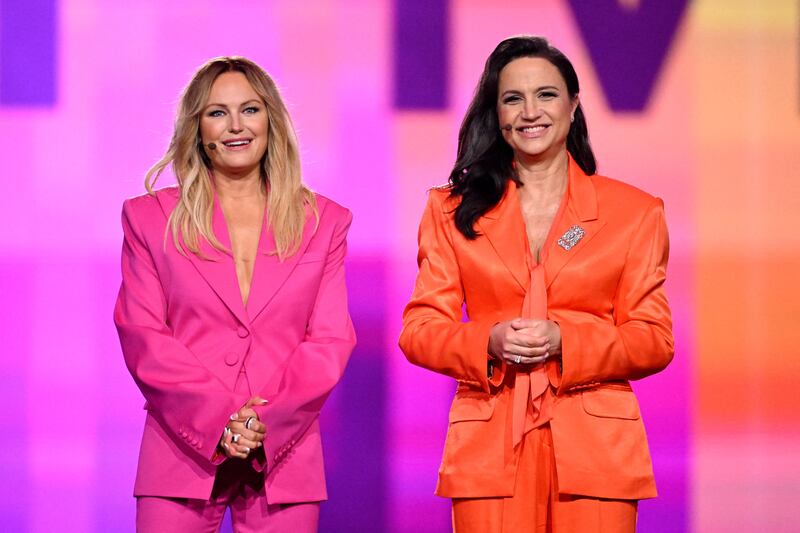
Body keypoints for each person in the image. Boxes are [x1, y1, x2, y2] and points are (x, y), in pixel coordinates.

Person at [399, 36, 673, 532]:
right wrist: (489, 340)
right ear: (496, 113)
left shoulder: (635, 212)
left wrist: (567, 340)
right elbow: (419, 329)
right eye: (512, 98)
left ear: (573, 105)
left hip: (597, 450)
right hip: (489, 446)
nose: (530, 112)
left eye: (546, 95)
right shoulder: (450, 210)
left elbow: (654, 339)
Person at [114, 56, 355, 532]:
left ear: (271, 121)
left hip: (283, 456)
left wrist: (265, 424)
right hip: (180, 453)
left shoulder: (324, 221)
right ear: (197, 128)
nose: (236, 126)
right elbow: (143, 334)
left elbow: (329, 340)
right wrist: (220, 420)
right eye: (217, 112)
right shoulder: (150, 219)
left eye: (250, 109)